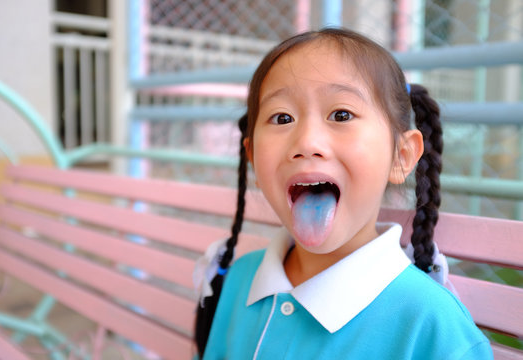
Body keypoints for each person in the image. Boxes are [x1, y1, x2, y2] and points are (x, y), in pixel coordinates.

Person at [193, 28, 493, 359]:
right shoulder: (239, 278)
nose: (307, 142)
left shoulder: (433, 326)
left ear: (401, 156)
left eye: (341, 114)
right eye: (282, 118)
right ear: (252, 156)